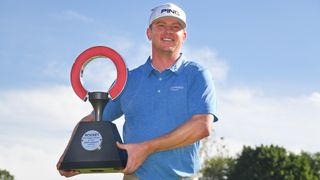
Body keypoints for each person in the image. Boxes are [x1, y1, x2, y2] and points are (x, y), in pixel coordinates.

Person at [57, 3, 218, 180]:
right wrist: (70, 155)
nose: (168, 32)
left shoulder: (196, 75)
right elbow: (93, 119)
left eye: (176, 27)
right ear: (149, 33)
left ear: (184, 35)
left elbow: (202, 125)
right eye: (161, 25)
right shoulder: (128, 80)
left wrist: (147, 147)